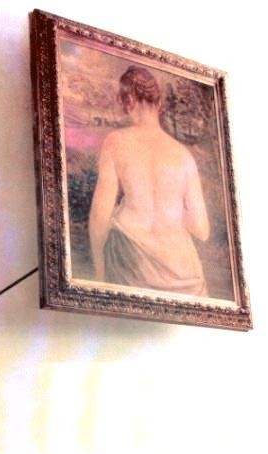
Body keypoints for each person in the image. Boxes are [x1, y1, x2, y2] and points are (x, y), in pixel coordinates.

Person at [88, 65, 210, 296]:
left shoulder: (115, 142)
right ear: (158, 102)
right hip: (183, 273)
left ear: (130, 100)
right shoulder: (184, 156)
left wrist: (99, 275)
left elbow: (99, 217)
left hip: (130, 264)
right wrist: (171, 211)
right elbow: (202, 230)